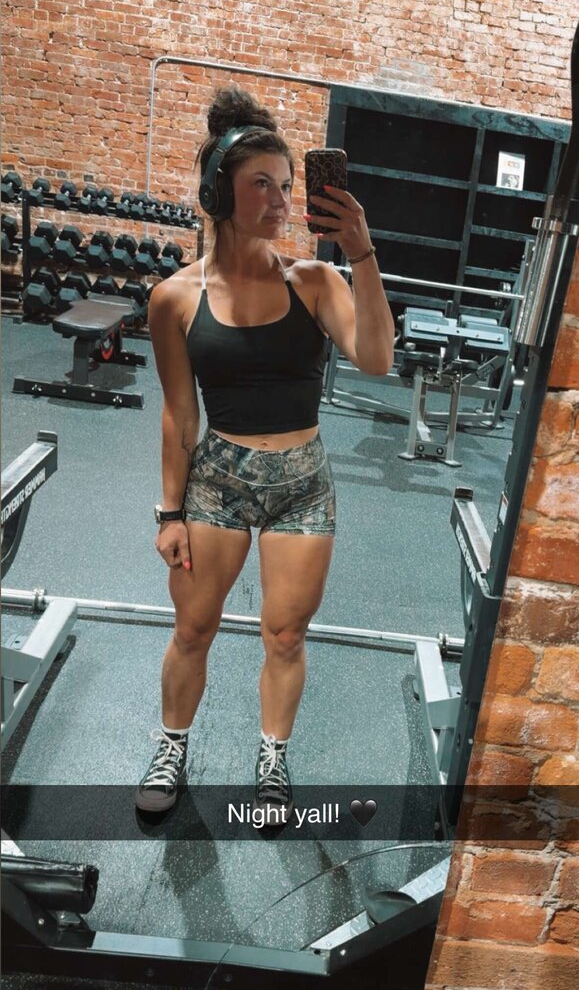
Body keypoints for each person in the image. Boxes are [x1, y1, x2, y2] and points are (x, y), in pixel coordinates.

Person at [135, 87, 395, 823]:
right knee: (193, 629)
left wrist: (361, 253)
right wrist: (170, 512)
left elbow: (377, 358)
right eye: (263, 185)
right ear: (219, 193)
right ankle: (170, 746)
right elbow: (179, 412)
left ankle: (272, 758)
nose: (282, 201)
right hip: (218, 482)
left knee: (285, 635)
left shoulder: (314, 281)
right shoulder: (174, 299)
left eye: (287, 185)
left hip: (302, 485)